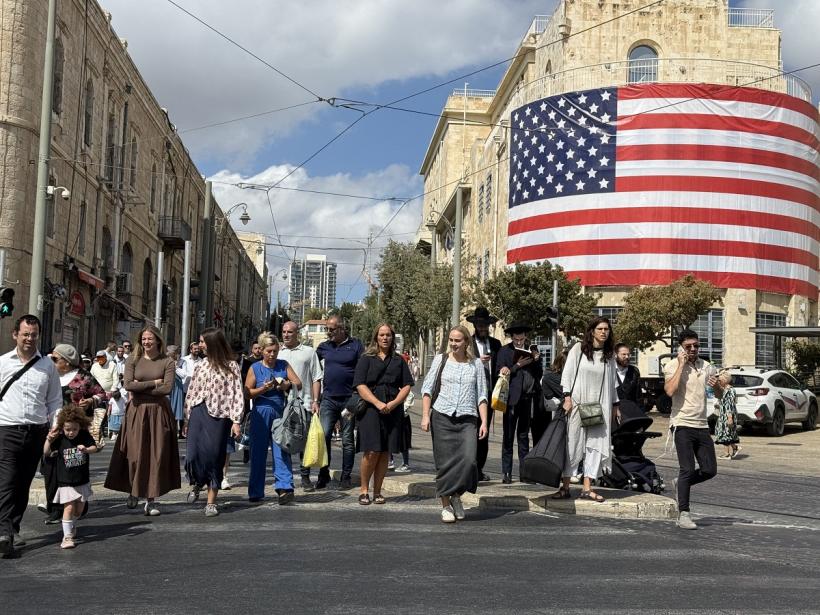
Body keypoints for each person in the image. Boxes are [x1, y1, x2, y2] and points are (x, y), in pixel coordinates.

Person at [0, 315, 62, 555]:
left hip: (36, 431)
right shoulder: (3, 363)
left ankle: (12, 528)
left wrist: (54, 429)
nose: (29, 339)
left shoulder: (47, 366)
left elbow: (54, 400)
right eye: (25, 334)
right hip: (7, 429)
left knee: (23, 483)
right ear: (15, 334)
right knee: (6, 481)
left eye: (33, 334)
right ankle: (4, 531)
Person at [104, 325, 180, 516]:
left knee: (156, 456)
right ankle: (133, 490)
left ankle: (151, 500)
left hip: (158, 412)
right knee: (135, 455)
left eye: (150, 339)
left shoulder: (167, 362)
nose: (146, 342)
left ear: (157, 340)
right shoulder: (133, 360)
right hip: (136, 412)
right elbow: (128, 385)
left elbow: (167, 389)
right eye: (144, 339)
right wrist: (154, 382)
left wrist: (141, 386)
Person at [421, 326, 488, 523]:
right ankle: (445, 505)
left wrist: (484, 421)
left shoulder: (476, 364)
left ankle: (457, 495)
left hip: (468, 418)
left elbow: (482, 394)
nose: (453, 344)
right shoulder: (440, 360)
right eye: (451, 340)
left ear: (466, 342)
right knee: (444, 464)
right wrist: (425, 416)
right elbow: (427, 389)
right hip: (442, 416)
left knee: (469, 461)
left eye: (457, 340)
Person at [554, 317, 620, 503]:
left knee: (595, 446)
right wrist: (567, 397)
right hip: (577, 403)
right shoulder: (578, 349)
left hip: (599, 407)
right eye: (600, 328)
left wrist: (616, 405)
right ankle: (565, 486)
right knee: (572, 444)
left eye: (606, 329)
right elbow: (567, 374)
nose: (603, 332)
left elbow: (612, 383)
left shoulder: (609, 355)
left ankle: (587, 487)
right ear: (592, 331)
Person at [41, 343, 107, 525]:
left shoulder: (83, 378)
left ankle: (78, 502)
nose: (51, 361)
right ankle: (54, 508)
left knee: (72, 467)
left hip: (74, 432)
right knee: (49, 466)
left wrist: (91, 400)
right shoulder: (49, 375)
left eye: (55, 359)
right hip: (52, 427)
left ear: (67, 362)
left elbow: (102, 394)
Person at [664, 329, 721, 529]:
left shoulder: (706, 366)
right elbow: (670, 391)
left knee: (709, 470)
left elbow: (719, 394)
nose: (693, 349)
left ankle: (681, 483)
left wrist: (717, 386)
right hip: (681, 424)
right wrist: (680, 365)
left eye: (696, 345)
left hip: (702, 425)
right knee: (687, 469)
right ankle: (684, 514)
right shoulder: (672, 365)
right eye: (688, 346)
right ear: (681, 347)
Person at [183, 328, 244, 516]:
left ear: (212, 343)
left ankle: (211, 501)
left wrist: (236, 420)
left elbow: (237, 393)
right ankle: (197, 482)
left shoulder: (231, 366)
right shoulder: (200, 365)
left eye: (202, 341)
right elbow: (192, 390)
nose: (200, 345)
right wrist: (187, 417)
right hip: (198, 411)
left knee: (214, 456)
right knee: (192, 455)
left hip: (220, 415)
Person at [353, 323, 413, 505]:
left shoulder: (399, 360)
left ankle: (377, 491)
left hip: (392, 409)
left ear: (392, 337)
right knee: (371, 451)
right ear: (376, 338)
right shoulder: (366, 358)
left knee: (385, 452)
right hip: (371, 408)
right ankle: (364, 490)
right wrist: (378, 403)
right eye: (381, 335)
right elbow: (360, 385)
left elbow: (407, 385)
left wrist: (394, 404)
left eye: (388, 335)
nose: (385, 338)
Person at [245, 331, 302, 504]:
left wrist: (286, 385)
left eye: (275, 351)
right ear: (261, 350)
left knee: (282, 450)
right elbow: (247, 393)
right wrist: (263, 389)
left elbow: (298, 383)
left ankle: (285, 488)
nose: (272, 354)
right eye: (269, 351)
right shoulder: (255, 368)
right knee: (258, 452)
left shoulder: (283, 365)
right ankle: (255, 491)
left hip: (280, 413)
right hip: (261, 412)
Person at [315, 316, 363, 490]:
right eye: (327, 329)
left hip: (349, 399)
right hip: (328, 399)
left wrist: (359, 394)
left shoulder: (356, 345)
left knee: (347, 439)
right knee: (324, 434)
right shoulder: (324, 347)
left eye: (332, 329)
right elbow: (312, 366)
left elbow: (363, 368)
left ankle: (346, 476)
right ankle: (323, 473)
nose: (328, 332)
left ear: (342, 329)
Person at [43, 404, 99, 549]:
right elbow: (46, 452)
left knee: (78, 510)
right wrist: (49, 440)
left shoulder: (84, 436)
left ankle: (72, 524)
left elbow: (95, 448)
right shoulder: (60, 439)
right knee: (68, 508)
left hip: (81, 480)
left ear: (80, 426)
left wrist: (86, 449)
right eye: (68, 429)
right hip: (65, 481)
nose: (71, 433)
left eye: (74, 429)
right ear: (62, 427)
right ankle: (67, 537)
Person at [495, 321, 543, 484]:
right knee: (508, 437)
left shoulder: (533, 350)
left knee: (523, 437)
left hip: (527, 399)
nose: (519, 341)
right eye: (516, 339)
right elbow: (500, 371)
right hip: (511, 400)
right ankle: (506, 473)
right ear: (512, 337)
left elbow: (539, 373)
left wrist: (536, 360)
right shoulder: (504, 351)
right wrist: (517, 366)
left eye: (521, 339)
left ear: (525, 337)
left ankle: (525, 473)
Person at [278, 321, 323, 491]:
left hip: (304, 404)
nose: (286, 334)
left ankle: (305, 477)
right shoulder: (278, 353)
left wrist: (315, 401)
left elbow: (316, 378)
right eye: (284, 331)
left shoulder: (309, 352)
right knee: (285, 441)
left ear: (297, 333)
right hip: (283, 404)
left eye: (290, 332)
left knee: (305, 442)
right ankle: (286, 478)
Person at [466, 306, 501, 482]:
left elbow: (501, 364)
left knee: (483, 432)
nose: (482, 328)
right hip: (471, 394)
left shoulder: (495, 344)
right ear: (475, 326)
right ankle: (468, 468)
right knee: (470, 432)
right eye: (479, 325)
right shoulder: (468, 344)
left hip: (489, 392)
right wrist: (478, 361)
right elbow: (462, 364)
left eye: (485, 325)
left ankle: (479, 469)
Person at [715, 370, 740, 460]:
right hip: (724, 414)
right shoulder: (726, 389)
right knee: (727, 433)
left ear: (725, 380)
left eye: (720, 380)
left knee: (726, 433)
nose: (719, 381)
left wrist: (729, 417)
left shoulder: (729, 390)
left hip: (727, 415)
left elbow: (730, 405)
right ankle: (735, 448)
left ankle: (727, 454)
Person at [167, 345, 186, 436]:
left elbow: (183, 375)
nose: (170, 356)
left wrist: (176, 367)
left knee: (175, 410)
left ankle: (174, 431)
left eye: (172, 354)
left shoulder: (182, 362)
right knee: (167, 408)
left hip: (177, 387)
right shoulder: (165, 361)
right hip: (167, 386)